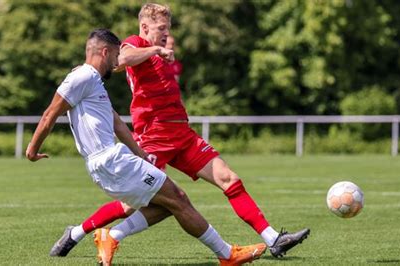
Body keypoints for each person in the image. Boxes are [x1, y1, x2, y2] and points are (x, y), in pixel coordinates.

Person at [50, 3, 310, 259]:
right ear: (144, 27)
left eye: (168, 28)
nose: (166, 33)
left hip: (183, 135)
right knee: (137, 204)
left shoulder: (162, 53)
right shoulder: (135, 44)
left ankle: (273, 238)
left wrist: (161, 52)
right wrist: (155, 50)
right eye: (161, 28)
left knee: (229, 178)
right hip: (153, 136)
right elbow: (122, 59)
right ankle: (78, 233)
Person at [26, 28, 266, 265]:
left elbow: (117, 123)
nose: (117, 62)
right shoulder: (84, 77)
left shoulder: (93, 82)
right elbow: (49, 114)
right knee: (179, 198)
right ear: (105, 51)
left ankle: (102, 235)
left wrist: (141, 154)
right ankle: (227, 255)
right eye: (116, 56)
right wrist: (32, 150)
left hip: (108, 163)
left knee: (166, 205)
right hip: (111, 160)